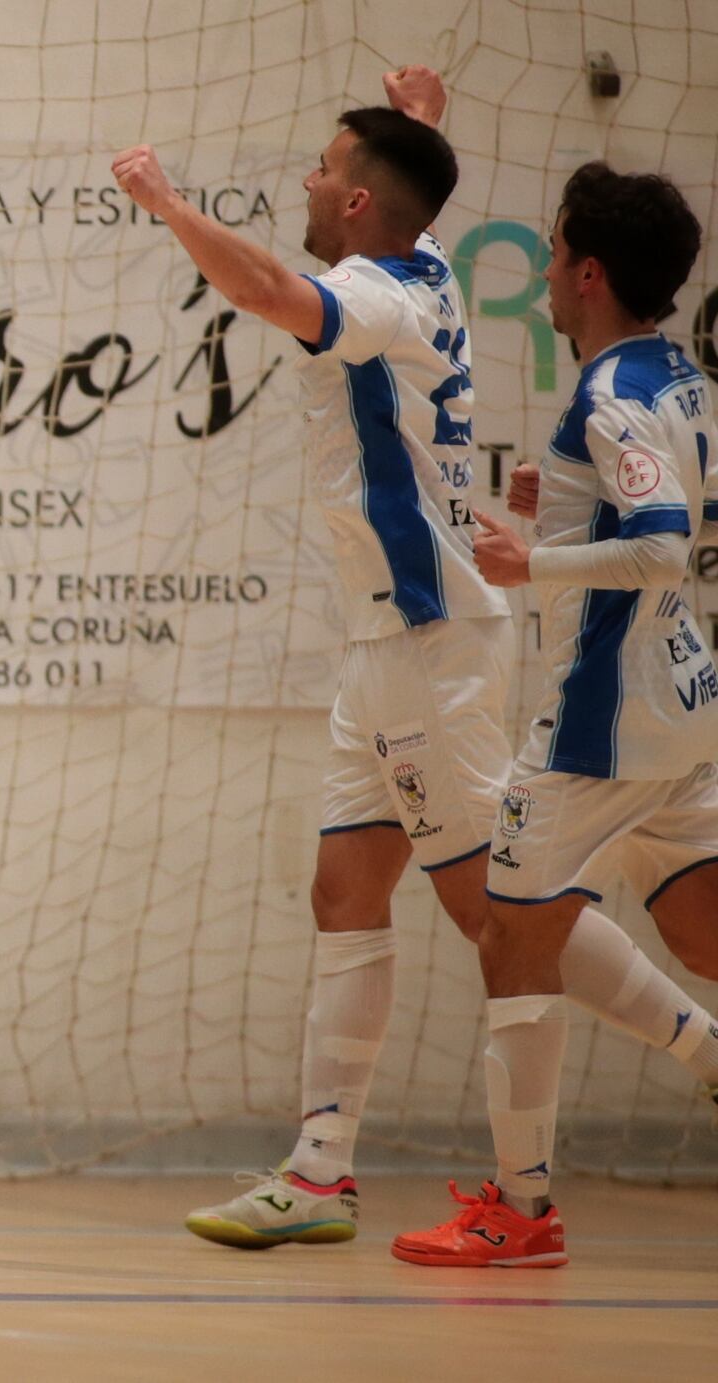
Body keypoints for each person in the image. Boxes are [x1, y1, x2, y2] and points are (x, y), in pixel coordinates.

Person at [111, 69, 718, 1250]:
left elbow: (271, 286)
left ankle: (692, 1061)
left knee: (494, 910)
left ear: (351, 207)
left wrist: (167, 204)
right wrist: (419, 132)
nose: (308, 176)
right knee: (344, 889)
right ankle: (318, 1171)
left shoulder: (377, 293)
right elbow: (400, 211)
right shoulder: (421, 262)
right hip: (381, 642)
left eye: (325, 168)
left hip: (430, 638)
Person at [392, 162, 718, 1268]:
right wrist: (564, 505)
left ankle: (519, 1213)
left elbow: (664, 540)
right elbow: (669, 507)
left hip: (598, 725)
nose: (535, 270)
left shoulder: (610, 393)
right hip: (685, 703)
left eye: (548, 251)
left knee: (508, 939)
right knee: (698, 930)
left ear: (586, 270)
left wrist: (530, 559)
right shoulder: (673, 375)